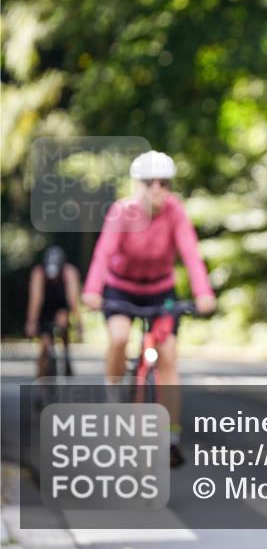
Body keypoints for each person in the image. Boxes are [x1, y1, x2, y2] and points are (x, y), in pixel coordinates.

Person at [81, 151, 216, 468]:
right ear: (136, 185)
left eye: (164, 182)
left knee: (168, 355)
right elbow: (103, 253)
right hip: (121, 288)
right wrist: (91, 290)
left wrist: (203, 293)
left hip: (160, 292)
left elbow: (191, 255)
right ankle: (113, 393)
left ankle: (170, 436)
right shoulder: (121, 212)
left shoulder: (175, 212)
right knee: (118, 337)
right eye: (148, 182)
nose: (157, 188)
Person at [25, 246, 83, 378]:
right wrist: (31, 322)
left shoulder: (69, 272)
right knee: (44, 345)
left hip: (62, 304)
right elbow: (36, 299)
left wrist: (79, 323)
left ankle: (66, 353)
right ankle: (41, 380)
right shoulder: (38, 273)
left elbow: (73, 300)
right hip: (45, 307)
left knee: (63, 322)